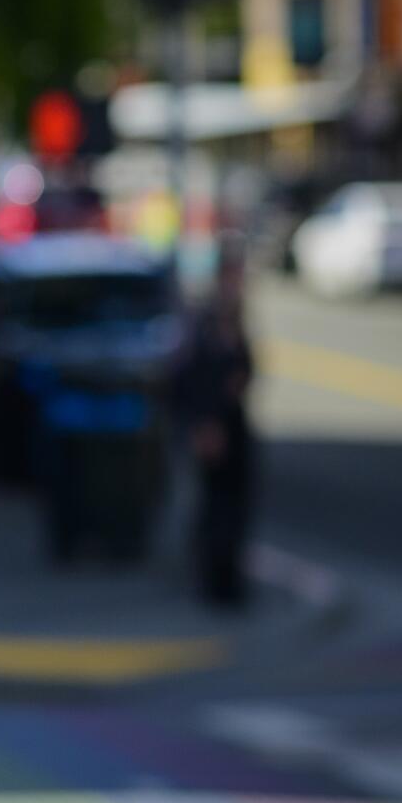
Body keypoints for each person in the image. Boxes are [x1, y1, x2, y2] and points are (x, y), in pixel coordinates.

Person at [175, 238, 256, 610]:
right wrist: (205, 424)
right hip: (215, 425)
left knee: (233, 506)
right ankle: (214, 580)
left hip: (232, 423)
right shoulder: (208, 320)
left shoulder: (234, 315)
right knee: (216, 507)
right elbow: (194, 376)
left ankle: (228, 578)